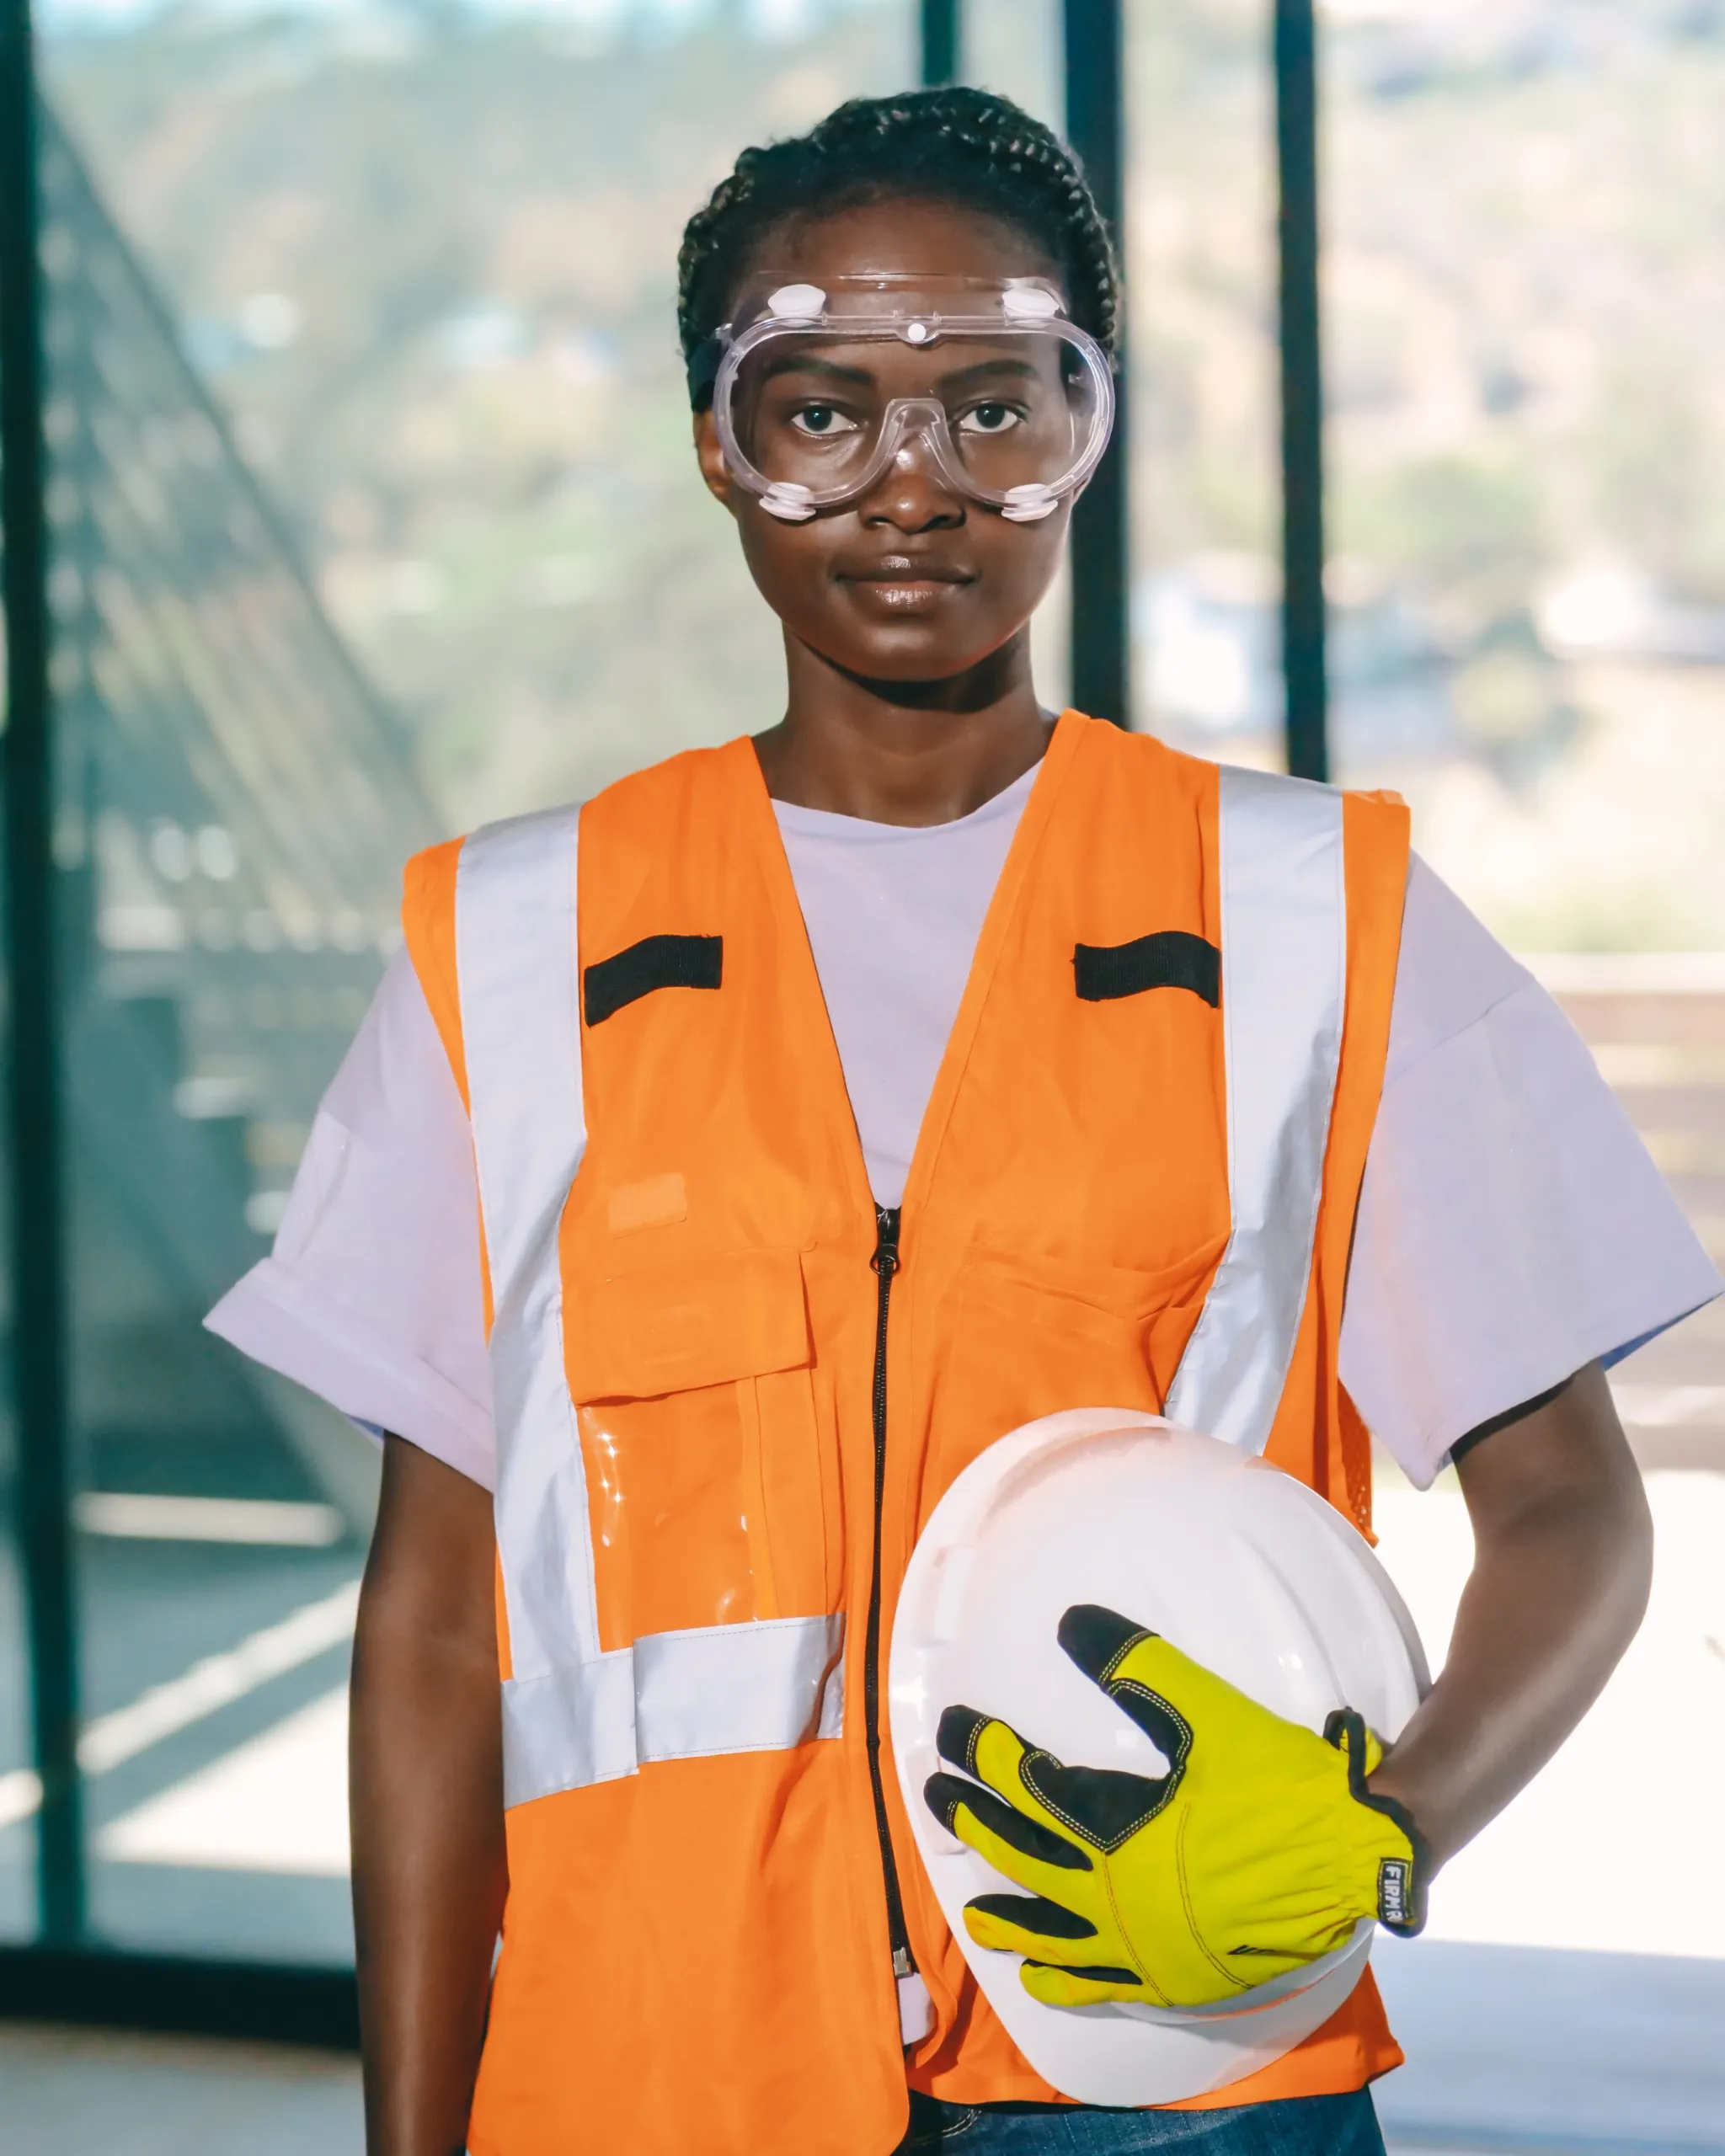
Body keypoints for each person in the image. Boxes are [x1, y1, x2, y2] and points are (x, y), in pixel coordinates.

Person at [208, 86, 1718, 2156]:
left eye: (996, 408)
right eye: (819, 409)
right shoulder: (507, 943)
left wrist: (1387, 1829)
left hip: (1177, 2061)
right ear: (719, 448)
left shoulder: (1309, 915)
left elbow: (1572, 1513)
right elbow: (440, 1614)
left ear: (1085, 431)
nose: (912, 487)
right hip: (656, 2073)